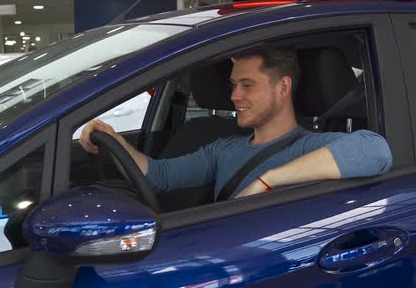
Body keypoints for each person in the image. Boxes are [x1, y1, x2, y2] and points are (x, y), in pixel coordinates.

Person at [79, 49, 392, 200]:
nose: (234, 96)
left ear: (282, 88)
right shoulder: (223, 149)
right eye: (232, 85)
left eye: (247, 85)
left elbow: (376, 151)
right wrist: (113, 138)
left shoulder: (309, 146)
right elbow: (158, 177)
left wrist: (268, 180)